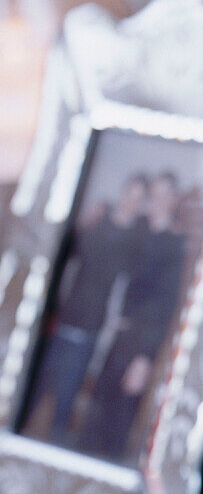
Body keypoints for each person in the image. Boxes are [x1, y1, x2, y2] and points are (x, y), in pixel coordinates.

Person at [25, 173, 149, 445]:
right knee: (34, 389)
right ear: (124, 190)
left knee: (66, 399)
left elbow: (136, 281)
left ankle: (53, 450)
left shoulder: (137, 238)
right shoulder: (99, 217)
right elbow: (62, 253)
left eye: (140, 198)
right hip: (61, 317)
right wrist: (81, 224)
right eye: (131, 192)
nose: (132, 201)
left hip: (91, 327)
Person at [82, 172, 186, 461]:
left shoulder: (175, 245)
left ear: (174, 199)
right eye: (154, 195)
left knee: (118, 423)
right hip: (114, 336)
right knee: (94, 415)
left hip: (139, 344)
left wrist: (144, 358)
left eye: (166, 195)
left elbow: (165, 308)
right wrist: (98, 215)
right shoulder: (140, 229)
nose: (158, 201)